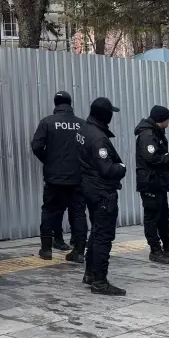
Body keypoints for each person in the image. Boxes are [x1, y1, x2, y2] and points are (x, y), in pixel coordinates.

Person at [31, 91, 88, 262]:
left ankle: (46, 249)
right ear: (70, 104)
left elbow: (36, 146)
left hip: (54, 177)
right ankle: (79, 251)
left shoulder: (47, 122)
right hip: (77, 178)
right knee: (78, 212)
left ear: (55, 104)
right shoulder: (82, 124)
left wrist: (48, 160)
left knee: (50, 211)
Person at [78, 97, 127, 296]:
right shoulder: (98, 138)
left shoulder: (83, 130)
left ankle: (90, 273)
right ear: (104, 115)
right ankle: (99, 281)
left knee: (96, 232)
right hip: (102, 192)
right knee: (103, 236)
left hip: (89, 188)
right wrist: (121, 168)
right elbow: (106, 168)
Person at [134, 105, 169, 264]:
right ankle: (155, 250)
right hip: (150, 183)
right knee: (152, 216)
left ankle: (168, 245)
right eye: (168, 119)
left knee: (163, 214)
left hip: (158, 182)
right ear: (162, 120)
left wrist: (167, 156)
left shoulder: (156, 133)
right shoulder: (148, 135)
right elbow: (151, 158)